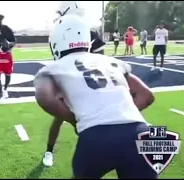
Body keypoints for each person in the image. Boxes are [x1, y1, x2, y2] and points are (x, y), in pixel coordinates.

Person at [34, 14, 156, 179]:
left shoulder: (53, 69)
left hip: (97, 138)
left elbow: (45, 98)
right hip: (143, 132)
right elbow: (146, 95)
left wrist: (74, 120)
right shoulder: (111, 61)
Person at [42, 1, 106, 167]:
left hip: (88, 80)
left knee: (87, 120)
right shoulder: (59, 29)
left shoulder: (89, 32)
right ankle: (49, 151)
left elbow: (101, 58)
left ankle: (93, 150)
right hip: (68, 77)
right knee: (61, 117)